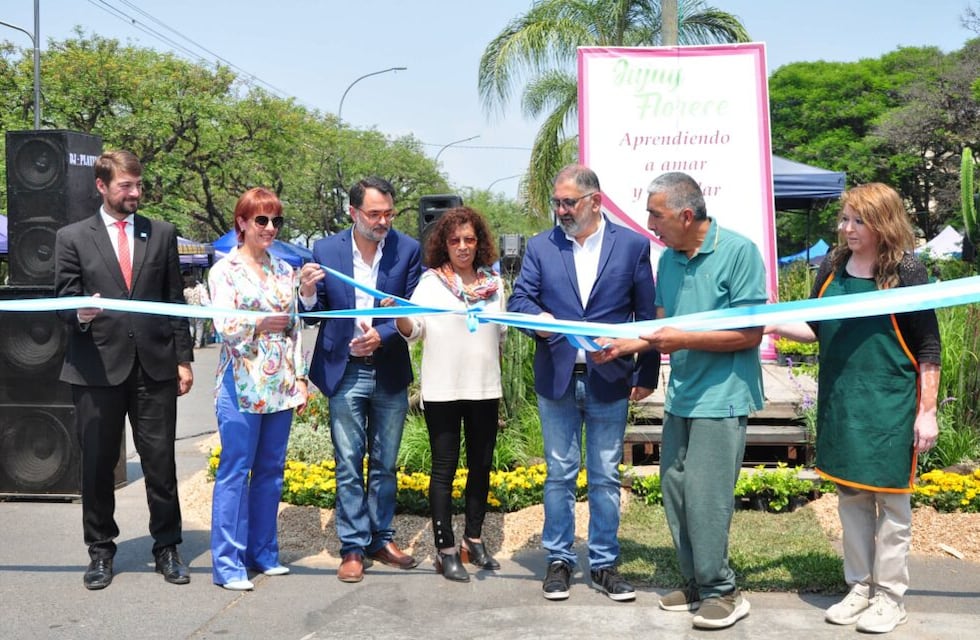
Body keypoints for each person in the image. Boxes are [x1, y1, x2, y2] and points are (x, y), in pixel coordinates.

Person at [766, 182, 940, 634]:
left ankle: (890, 597)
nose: (846, 229)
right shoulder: (833, 264)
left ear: (883, 222)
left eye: (857, 220)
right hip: (843, 402)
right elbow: (816, 328)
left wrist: (928, 411)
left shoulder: (908, 270)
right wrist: (765, 320)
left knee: (893, 507)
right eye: (844, 219)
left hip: (892, 403)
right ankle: (859, 587)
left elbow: (928, 348)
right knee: (852, 499)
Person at [600, 171, 767, 629]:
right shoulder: (669, 260)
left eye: (656, 214)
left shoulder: (739, 252)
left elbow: (750, 333)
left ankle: (723, 591)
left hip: (723, 397)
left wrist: (684, 339)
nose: (649, 223)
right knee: (675, 491)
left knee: (706, 497)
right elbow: (662, 326)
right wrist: (629, 345)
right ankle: (695, 581)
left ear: (686, 214)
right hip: (683, 397)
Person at [507, 164, 659, 602]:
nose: (560, 210)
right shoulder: (541, 246)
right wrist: (537, 321)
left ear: (595, 201)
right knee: (559, 473)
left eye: (568, 202)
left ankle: (604, 564)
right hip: (557, 377)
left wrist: (646, 371)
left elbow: (645, 315)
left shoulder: (630, 246)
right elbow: (520, 298)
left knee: (606, 476)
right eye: (556, 202)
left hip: (610, 378)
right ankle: (558, 560)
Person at [54, 150, 194, 590]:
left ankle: (168, 548)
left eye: (138, 185)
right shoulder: (72, 237)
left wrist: (183, 358)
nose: (135, 193)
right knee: (96, 466)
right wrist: (80, 315)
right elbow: (63, 303)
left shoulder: (162, 233)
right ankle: (100, 551)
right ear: (102, 186)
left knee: (160, 463)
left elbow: (174, 302)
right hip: (95, 369)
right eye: (125, 186)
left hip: (154, 368)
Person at [298, 176, 421, 583]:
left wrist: (381, 335)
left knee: (385, 463)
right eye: (374, 214)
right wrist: (308, 295)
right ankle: (352, 546)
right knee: (349, 461)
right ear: (353, 213)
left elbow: (410, 309)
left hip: (388, 368)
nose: (383, 221)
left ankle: (380, 539)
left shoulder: (408, 250)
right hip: (343, 368)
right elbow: (317, 314)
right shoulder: (326, 250)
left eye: (389, 213)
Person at [392, 207, 507, 583]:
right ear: (444, 243)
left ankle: (472, 539)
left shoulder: (494, 284)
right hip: (443, 390)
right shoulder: (430, 284)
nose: (462, 247)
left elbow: (501, 334)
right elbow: (414, 330)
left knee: (481, 465)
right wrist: (399, 314)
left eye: (469, 240)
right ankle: (444, 548)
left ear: (480, 243)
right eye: (455, 240)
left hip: (484, 388)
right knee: (444, 469)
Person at [207, 188, 309, 591]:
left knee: (270, 472)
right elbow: (224, 326)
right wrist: (257, 324)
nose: (269, 228)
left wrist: (300, 377)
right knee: (235, 471)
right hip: (240, 383)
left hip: (280, 385)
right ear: (242, 223)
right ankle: (228, 563)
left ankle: (263, 553)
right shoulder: (224, 270)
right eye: (261, 220)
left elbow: (296, 326)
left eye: (276, 221)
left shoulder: (285, 270)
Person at [183, 273, 212, 348]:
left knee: (191, 326)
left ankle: (190, 340)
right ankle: (198, 343)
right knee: (199, 327)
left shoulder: (186, 291)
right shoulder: (200, 289)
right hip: (199, 309)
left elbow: (185, 301)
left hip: (189, 310)